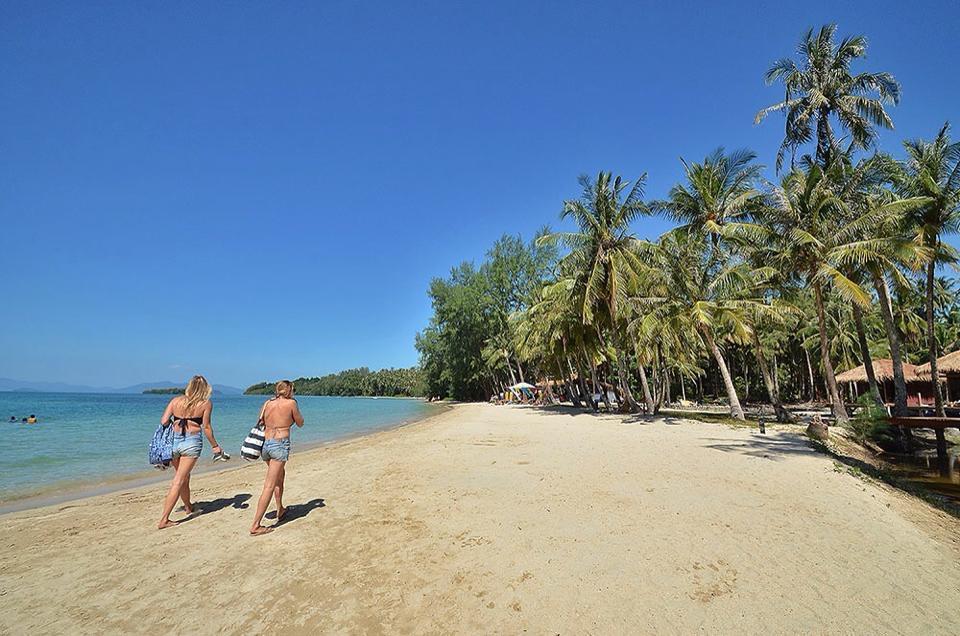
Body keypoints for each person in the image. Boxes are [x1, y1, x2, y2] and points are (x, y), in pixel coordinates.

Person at [156, 375, 223, 530]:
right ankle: (164, 519)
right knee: (179, 479)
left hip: (173, 442)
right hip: (191, 442)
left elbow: (164, 421)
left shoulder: (175, 401)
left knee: (183, 476)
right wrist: (215, 446)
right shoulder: (206, 404)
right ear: (205, 389)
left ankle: (188, 507)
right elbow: (206, 427)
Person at [250, 380, 304, 536]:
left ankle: (280, 509)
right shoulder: (291, 403)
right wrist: (288, 421)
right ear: (289, 391)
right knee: (269, 485)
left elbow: (260, 421)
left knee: (280, 477)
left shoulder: (267, 403)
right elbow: (300, 422)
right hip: (279, 444)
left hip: (265, 445)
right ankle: (255, 525)